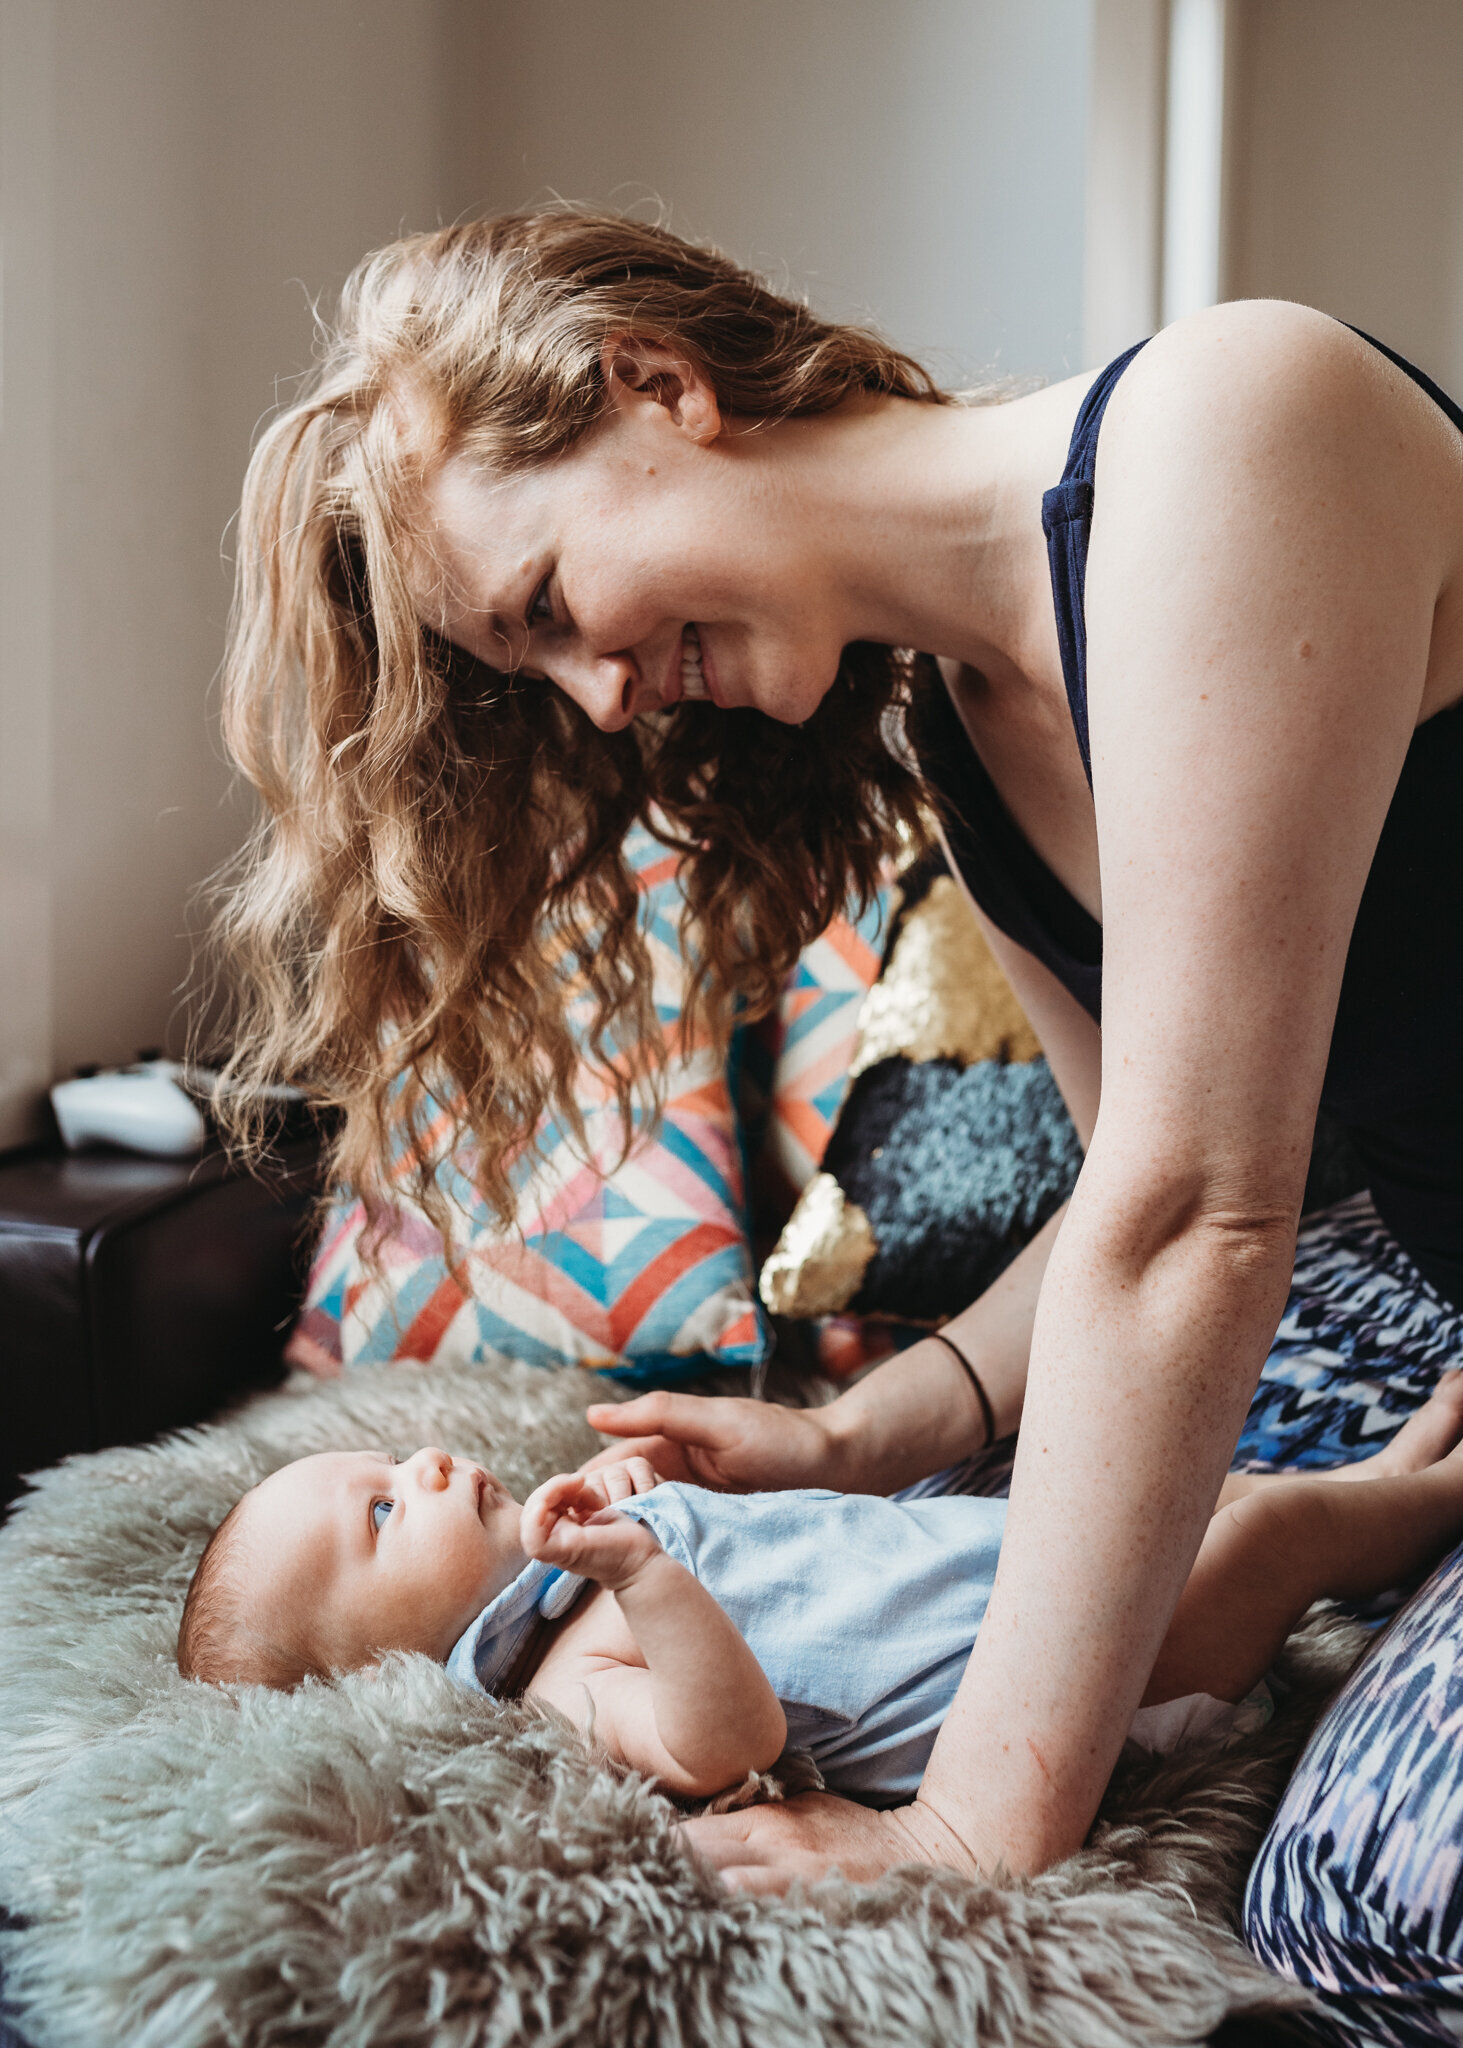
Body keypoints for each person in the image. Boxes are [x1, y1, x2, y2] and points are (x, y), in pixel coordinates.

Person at [213, 208, 1463, 1888]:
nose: (596, 700)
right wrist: (863, 1434)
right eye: (541, 665)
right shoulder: (965, 721)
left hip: (1359, 1280)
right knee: (1045, 1561)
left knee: (1346, 1894)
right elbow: (1131, 1193)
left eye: (549, 601)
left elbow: (1197, 1217)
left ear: (651, 384)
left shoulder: (1232, 426)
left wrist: (962, 1836)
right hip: (1408, 1281)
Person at [177, 1381, 1463, 1823]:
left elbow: (758, 1547)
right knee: (1275, 1540)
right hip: (1085, 1691)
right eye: (384, 1514)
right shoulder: (558, 1692)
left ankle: (1380, 1485)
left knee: (1198, 1495)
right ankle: (1425, 1496)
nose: (426, 1465)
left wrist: (646, 1499)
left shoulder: (561, 1570)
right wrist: (644, 1574)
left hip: (1033, 1577)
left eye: (386, 1461)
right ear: (383, 1670)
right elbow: (721, 1742)